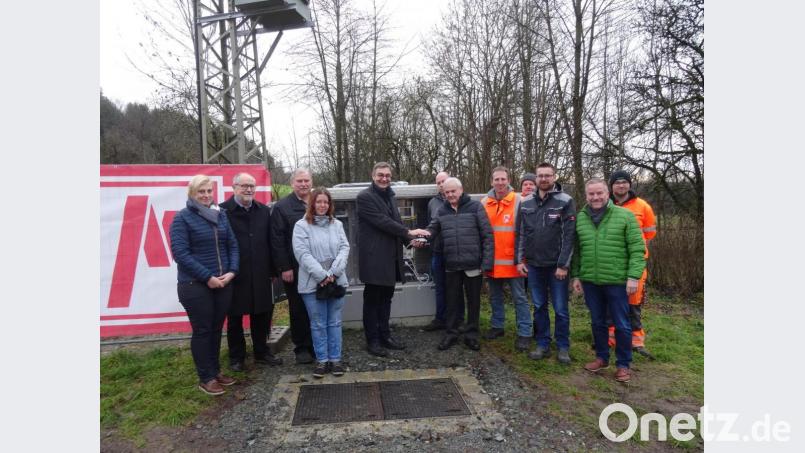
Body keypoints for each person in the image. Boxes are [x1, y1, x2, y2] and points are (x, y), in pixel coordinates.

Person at [170, 174, 239, 395]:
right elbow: (180, 254)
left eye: (209, 191)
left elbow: (232, 245)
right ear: (192, 194)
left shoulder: (221, 216)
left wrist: (231, 272)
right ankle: (205, 378)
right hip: (195, 285)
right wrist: (207, 277)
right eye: (201, 191)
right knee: (203, 330)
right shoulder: (182, 218)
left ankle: (215, 371)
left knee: (217, 328)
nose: (206, 195)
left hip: (223, 283)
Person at [571, 178, 645, 383]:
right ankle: (602, 358)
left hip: (617, 280)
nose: (595, 197)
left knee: (622, 324)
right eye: (591, 194)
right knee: (597, 321)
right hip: (590, 280)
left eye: (599, 193)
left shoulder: (625, 216)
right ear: (586, 196)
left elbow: (637, 249)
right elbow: (577, 251)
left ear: (607, 194)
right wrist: (576, 275)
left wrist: (633, 276)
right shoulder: (581, 218)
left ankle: (623, 364)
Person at [357, 162, 431, 357]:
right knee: (372, 301)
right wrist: (409, 231)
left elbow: (395, 223)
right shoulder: (365, 197)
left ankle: (385, 336)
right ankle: (372, 341)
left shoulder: (390, 195)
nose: (384, 178)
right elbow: (383, 222)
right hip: (374, 259)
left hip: (390, 257)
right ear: (373, 176)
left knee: (386, 299)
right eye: (380, 175)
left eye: (388, 175)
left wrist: (410, 241)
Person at [420, 178, 494, 351]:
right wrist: (421, 237)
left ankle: (472, 335)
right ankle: (451, 334)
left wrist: (487, 262)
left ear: (461, 190)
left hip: (473, 265)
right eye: (447, 192)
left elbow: (488, 236)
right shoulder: (442, 210)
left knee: (474, 302)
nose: (450, 195)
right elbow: (432, 229)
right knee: (451, 301)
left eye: (453, 191)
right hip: (451, 264)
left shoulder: (475, 207)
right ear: (443, 194)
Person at [515, 162, 576, 364]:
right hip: (533, 265)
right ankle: (542, 343)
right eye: (540, 176)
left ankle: (563, 346)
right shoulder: (525, 204)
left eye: (547, 175)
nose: (543, 179)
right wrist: (519, 260)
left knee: (560, 308)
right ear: (536, 179)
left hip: (556, 266)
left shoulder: (565, 201)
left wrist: (563, 265)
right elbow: (521, 234)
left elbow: (569, 237)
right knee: (539, 306)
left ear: (554, 177)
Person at [220, 172, 281, 372]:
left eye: (252, 186)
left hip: (262, 271)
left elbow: (271, 241)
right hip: (235, 274)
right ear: (234, 187)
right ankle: (237, 357)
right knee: (235, 318)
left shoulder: (264, 211)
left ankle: (261, 352)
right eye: (244, 186)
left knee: (262, 315)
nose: (248, 190)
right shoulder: (222, 211)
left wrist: (273, 269)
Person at [292, 187, 351, 378]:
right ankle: (321, 360)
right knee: (318, 323)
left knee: (334, 322)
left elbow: (344, 248)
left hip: (336, 281)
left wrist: (333, 272)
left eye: (326, 202)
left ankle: (335, 359)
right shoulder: (301, 226)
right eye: (319, 201)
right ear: (312, 203)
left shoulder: (337, 225)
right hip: (312, 283)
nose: (322, 205)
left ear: (330, 204)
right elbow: (302, 254)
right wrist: (322, 275)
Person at [607, 170, 658, 357]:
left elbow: (650, 233)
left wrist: (636, 249)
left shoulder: (642, 206)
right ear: (611, 186)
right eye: (617, 183)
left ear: (629, 185)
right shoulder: (606, 205)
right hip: (612, 261)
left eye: (624, 182)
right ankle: (611, 337)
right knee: (611, 300)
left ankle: (636, 341)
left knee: (634, 302)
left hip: (635, 262)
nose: (621, 185)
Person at [482, 166, 532, 352]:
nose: (500, 182)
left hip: (514, 262)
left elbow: (526, 232)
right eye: (497, 179)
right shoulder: (484, 203)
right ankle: (497, 327)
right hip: (492, 262)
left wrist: (523, 259)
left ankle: (525, 333)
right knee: (495, 297)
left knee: (519, 298)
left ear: (508, 180)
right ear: (491, 181)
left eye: (503, 179)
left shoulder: (520, 200)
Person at [270, 169, 316, 364]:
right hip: (295, 268)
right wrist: (284, 267)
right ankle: (302, 348)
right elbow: (277, 239)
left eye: (307, 180)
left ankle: (317, 345)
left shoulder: (318, 202)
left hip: (319, 267)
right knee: (298, 308)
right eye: (300, 181)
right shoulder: (282, 207)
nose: (303, 184)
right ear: (292, 184)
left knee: (317, 308)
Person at [422, 171, 454, 332]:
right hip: (437, 251)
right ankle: (440, 319)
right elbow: (431, 226)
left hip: (454, 252)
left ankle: (455, 320)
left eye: (444, 181)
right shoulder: (432, 203)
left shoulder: (459, 200)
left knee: (454, 287)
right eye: (439, 182)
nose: (441, 184)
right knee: (439, 287)